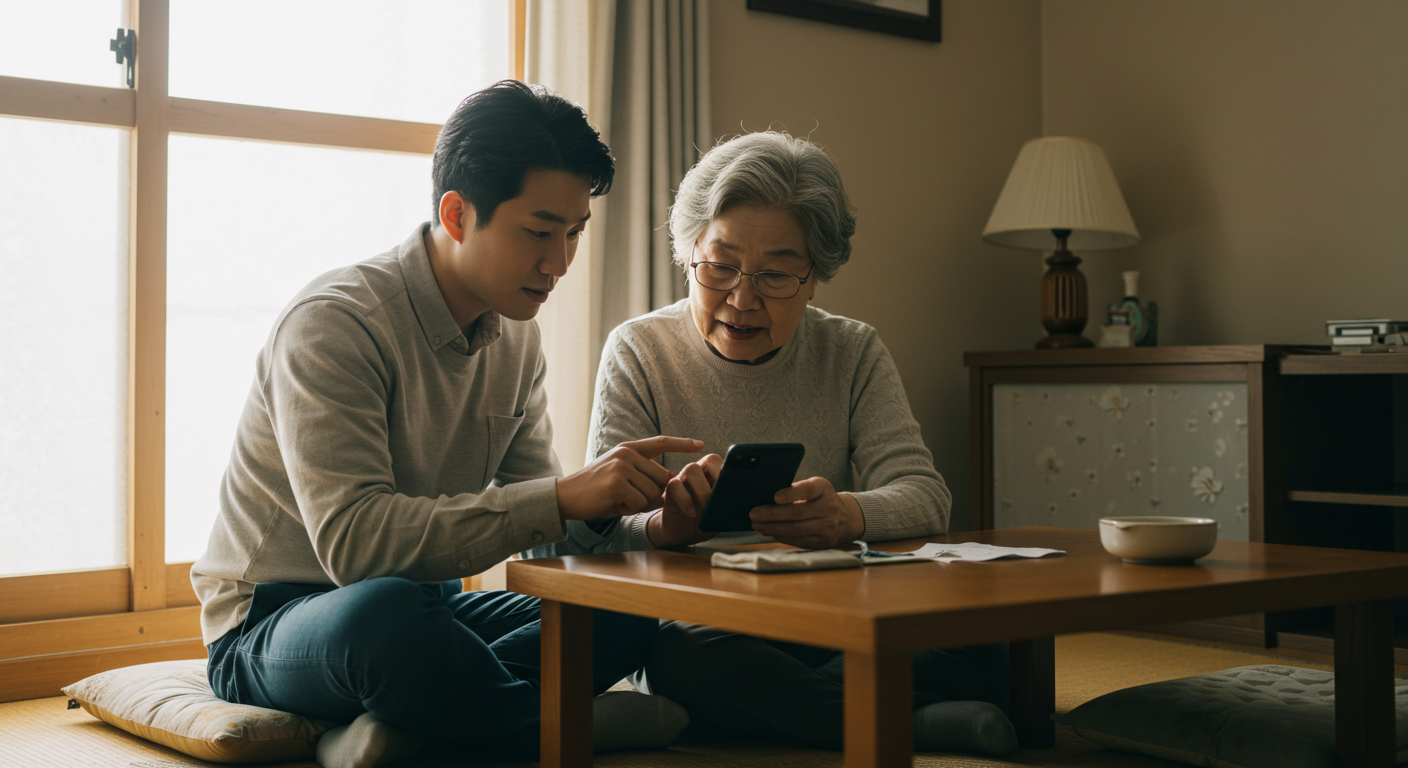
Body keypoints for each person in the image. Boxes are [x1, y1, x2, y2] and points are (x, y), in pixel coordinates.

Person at [190, 81, 696, 768]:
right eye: (539, 232)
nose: (560, 262)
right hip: (277, 622)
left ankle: (412, 728)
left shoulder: (516, 337)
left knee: (625, 609)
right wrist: (558, 496)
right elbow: (355, 547)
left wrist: (646, 522)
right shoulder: (336, 325)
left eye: (574, 233)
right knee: (387, 619)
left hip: (431, 615)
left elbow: (547, 535)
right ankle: (563, 731)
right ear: (457, 214)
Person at [527, 131, 1017, 756]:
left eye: (777, 275)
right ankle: (915, 723)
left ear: (816, 279)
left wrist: (847, 513)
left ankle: (799, 708)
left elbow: (925, 496)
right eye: (721, 265)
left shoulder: (852, 350)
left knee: (989, 645)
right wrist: (664, 529)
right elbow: (599, 538)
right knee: (683, 660)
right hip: (707, 625)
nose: (742, 297)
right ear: (688, 255)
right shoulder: (639, 350)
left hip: (835, 609)